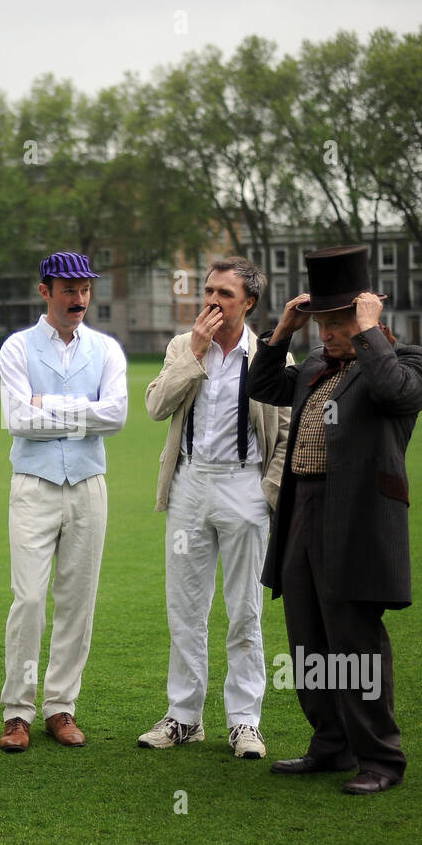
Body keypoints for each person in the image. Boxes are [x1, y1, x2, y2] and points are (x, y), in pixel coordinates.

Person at [246, 244, 422, 794]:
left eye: (337, 322)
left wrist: (369, 333)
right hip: (303, 511)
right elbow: (260, 388)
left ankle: (380, 759)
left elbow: (392, 393)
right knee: (308, 636)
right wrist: (280, 333)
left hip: (358, 518)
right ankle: (330, 743)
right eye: (321, 322)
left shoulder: (407, 362)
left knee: (354, 642)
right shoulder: (310, 369)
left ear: (366, 315)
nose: (324, 333)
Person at [138, 258, 291, 758]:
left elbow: (287, 433)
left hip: (245, 485)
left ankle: (245, 721)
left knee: (244, 610)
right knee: (185, 608)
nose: (212, 301)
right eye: (208, 290)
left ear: (248, 302)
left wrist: (269, 490)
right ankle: (184, 716)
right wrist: (195, 354)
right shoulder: (184, 346)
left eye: (224, 293)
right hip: (190, 483)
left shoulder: (271, 355)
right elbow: (156, 406)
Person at [0, 251, 127, 751]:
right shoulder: (16, 348)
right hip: (33, 484)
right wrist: (83, 411)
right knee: (28, 600)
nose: (79, 298)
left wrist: (46, 403)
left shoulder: (106, 348)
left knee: (78, 601)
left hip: (89, 487)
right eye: (68, 289)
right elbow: (18, 421)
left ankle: (61, 706)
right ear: (45, 291)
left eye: (85, 289)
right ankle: (17, 712)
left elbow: (116, 417)